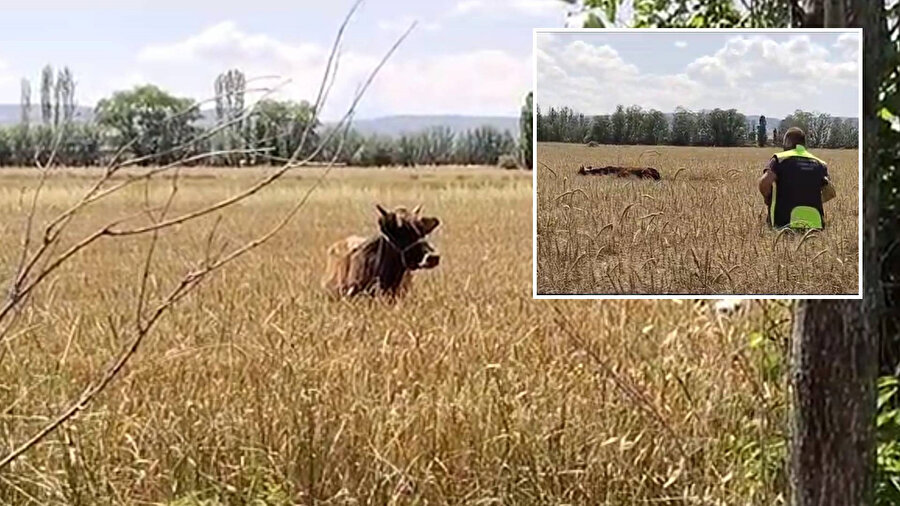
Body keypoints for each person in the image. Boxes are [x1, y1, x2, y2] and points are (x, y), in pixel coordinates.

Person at [758, 127, 836, 229]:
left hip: (784, 224)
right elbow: (830, 192)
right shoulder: (820, 163)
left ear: (787, 142)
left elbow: (765, 182)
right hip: (815, 225)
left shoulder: (779, 159)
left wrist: (767, 199)